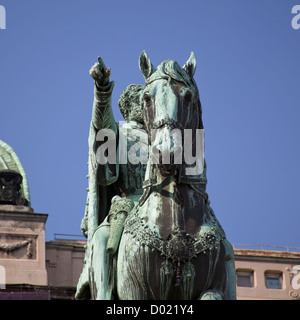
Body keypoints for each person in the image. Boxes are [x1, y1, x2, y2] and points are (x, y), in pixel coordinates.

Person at [75, 57, 147, 299]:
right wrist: (102, 92)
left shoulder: (164, 138)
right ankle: (102, 296)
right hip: (127, 208)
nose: (146, 107)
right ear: (128, 107)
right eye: (141, 102)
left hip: (169, 206)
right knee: (102, 238)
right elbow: (102, 128)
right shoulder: (120, 132)